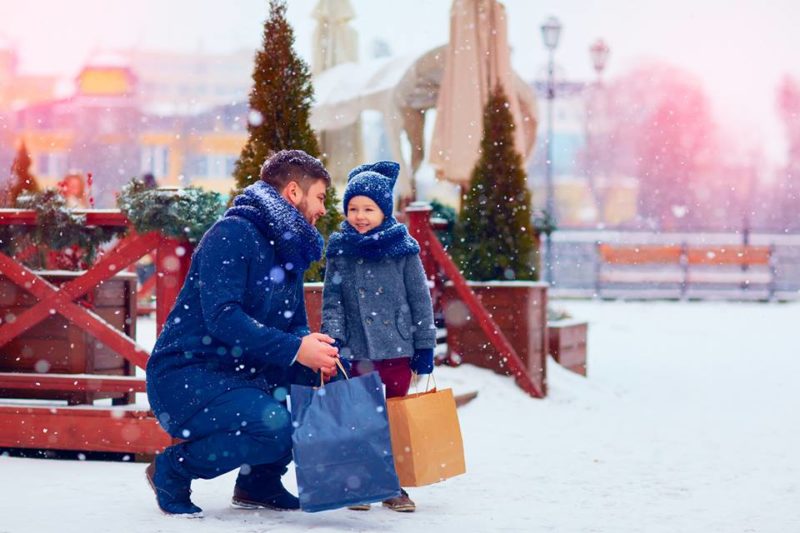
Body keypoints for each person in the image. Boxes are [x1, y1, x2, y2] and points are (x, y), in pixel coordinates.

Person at [145, 150, 342, 517]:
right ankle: (173, 469)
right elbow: (223, 318)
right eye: (320, 197)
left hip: (240, 373)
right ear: (294, 192)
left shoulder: (290, 248)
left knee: (306, 372)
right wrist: (294, 348)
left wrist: (314, 350)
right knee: (275, 427)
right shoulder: (233, 234)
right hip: (187, 376)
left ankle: (259, 482)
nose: (324, 209)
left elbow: (293, 321)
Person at [321, 160, 436, 513]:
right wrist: (334, 342)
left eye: (368, 209)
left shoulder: (404, 249)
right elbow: (332, 302)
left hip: (397, 350)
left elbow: (420, 300)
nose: (360, 216)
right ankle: (361, 482)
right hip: (356, 351)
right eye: (353, 208)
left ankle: (393, 484)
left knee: (393, 419)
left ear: (384, 211)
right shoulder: (340, 251)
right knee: (361, 418)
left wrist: (424, 347)